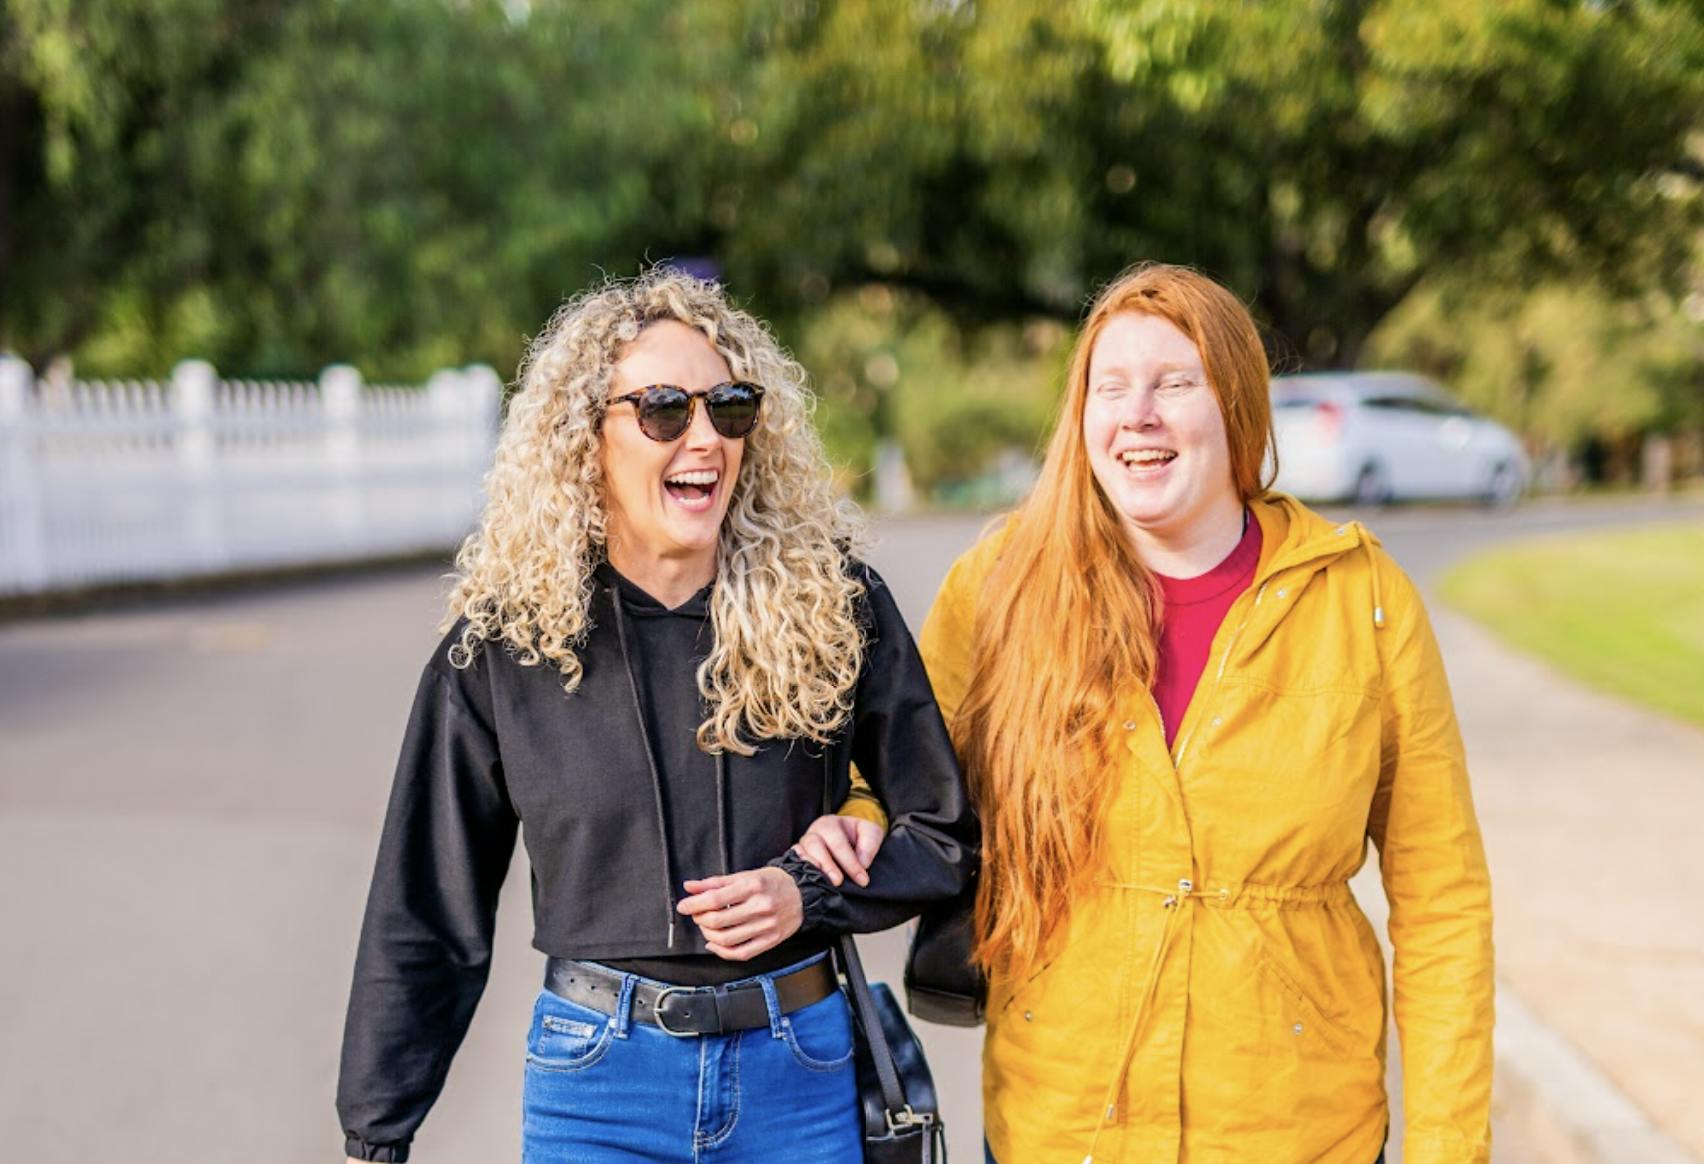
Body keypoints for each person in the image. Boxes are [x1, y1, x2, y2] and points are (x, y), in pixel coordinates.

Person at [798, 263, 1493, 1163]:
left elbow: (1442, 905)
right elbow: (901, 774)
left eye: (1176, 383)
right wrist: (857, 822)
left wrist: (1448, 1148)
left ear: (1236, 409)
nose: (1140, 415)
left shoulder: (1365, 602)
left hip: (1296, 1128)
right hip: (1063, 1123)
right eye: (1111, 387)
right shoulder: (1002, 584)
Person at [335, 269, 976, 1163]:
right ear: (585, 438)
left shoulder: (836, 609)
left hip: (801, 1074)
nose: (704, 437)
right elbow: (427, 908)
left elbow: (945, 837)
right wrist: (377, 1133)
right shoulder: (505, 649)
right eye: (665, 410)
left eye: (730, 407)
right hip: (597, 1086)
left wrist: (809, 892)